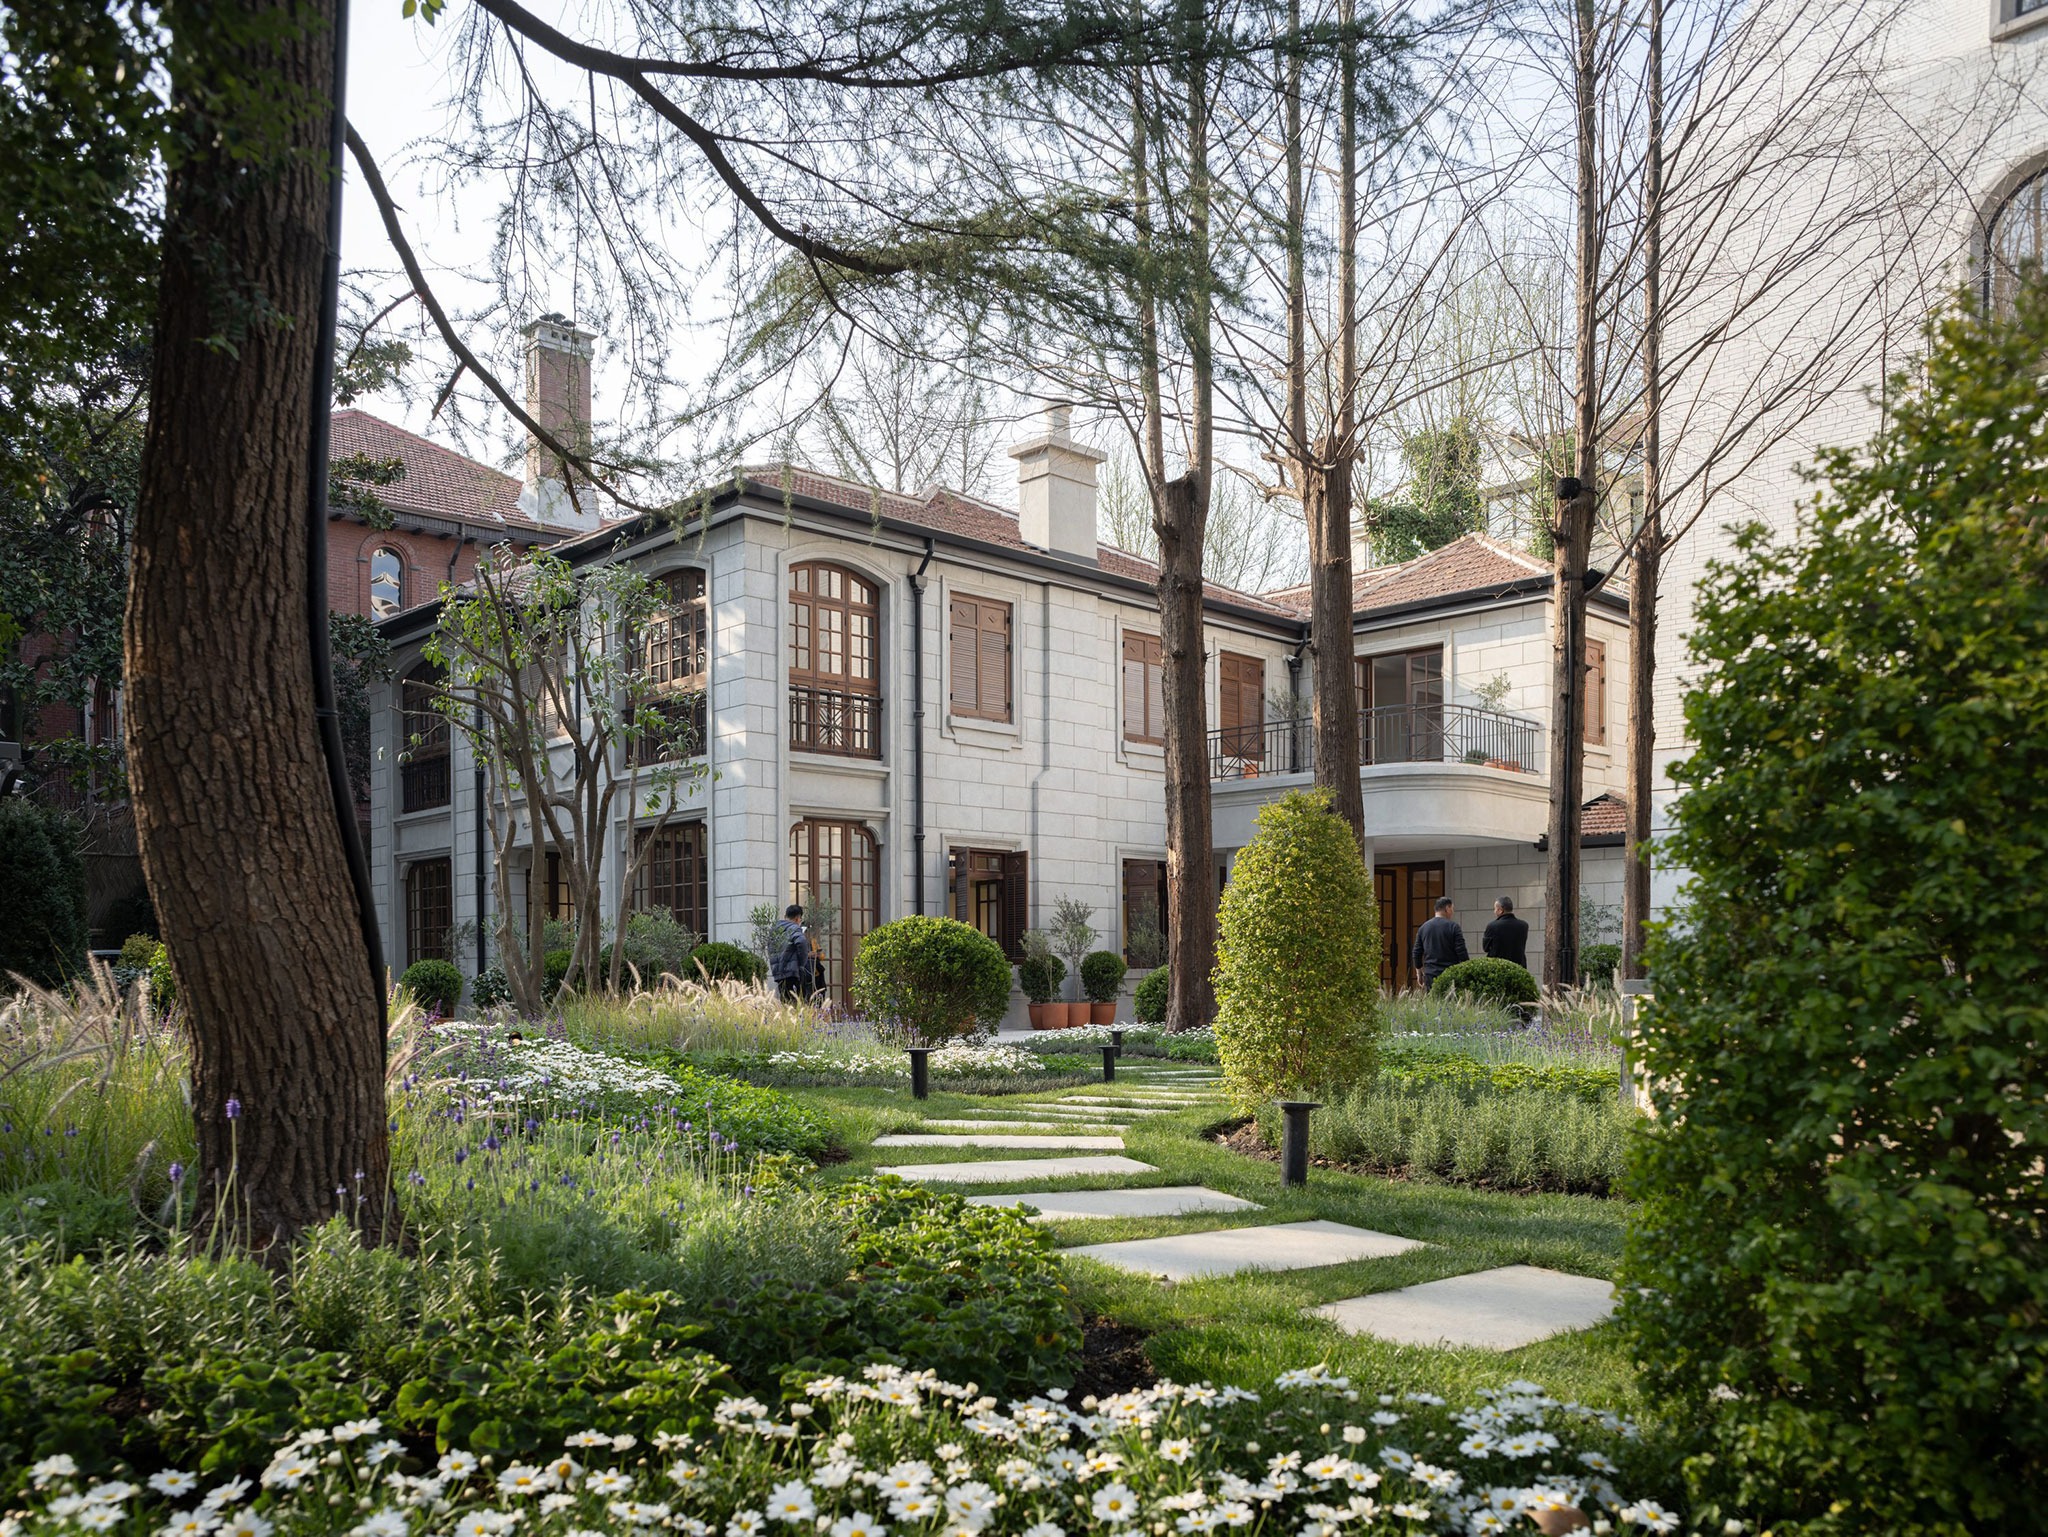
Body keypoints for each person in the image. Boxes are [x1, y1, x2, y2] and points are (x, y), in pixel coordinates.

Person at [1410, 895, 1470, 991]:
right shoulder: (1454, 927)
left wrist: (1419, 972)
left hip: (1430, 974)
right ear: (1447, 908)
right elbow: (1461, 951)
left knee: (1433, 1003)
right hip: (1450, 973)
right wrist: (1467, 970)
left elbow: (1416, 952)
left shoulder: (1423, 928)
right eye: (1452, 909)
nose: (1453, 912)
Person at [768, 903, 816, 1000]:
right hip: (793, 973)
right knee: (796, 1003)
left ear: (785, 916)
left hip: (778, 972)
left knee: (785, 1002)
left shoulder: (775, 929)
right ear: (798, 918)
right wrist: (802, 963)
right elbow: (801, 942)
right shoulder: (794, 928)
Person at [1483, 895, 1530, 970]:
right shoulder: (1524, 925)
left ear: (1500, 910)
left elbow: (1485, 948)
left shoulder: (1492, 926)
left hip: (1498, 968)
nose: (1494, 911)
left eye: (1495, 909)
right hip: (1519, 967)